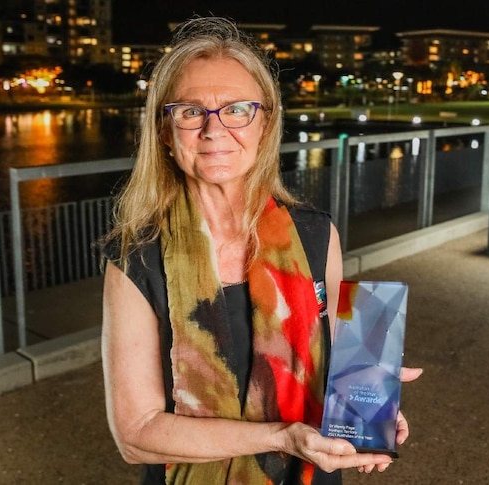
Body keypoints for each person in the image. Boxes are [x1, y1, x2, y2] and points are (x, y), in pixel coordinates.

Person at [99, 15, 422, 484]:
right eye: (190, 111)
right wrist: (281, 436)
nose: (213, 130)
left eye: (237, 109)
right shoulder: (136, 258)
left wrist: (372, 399)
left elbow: (334, 369)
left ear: (266, 124)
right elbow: (135, 435)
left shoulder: (315, 235)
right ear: (166, 133)